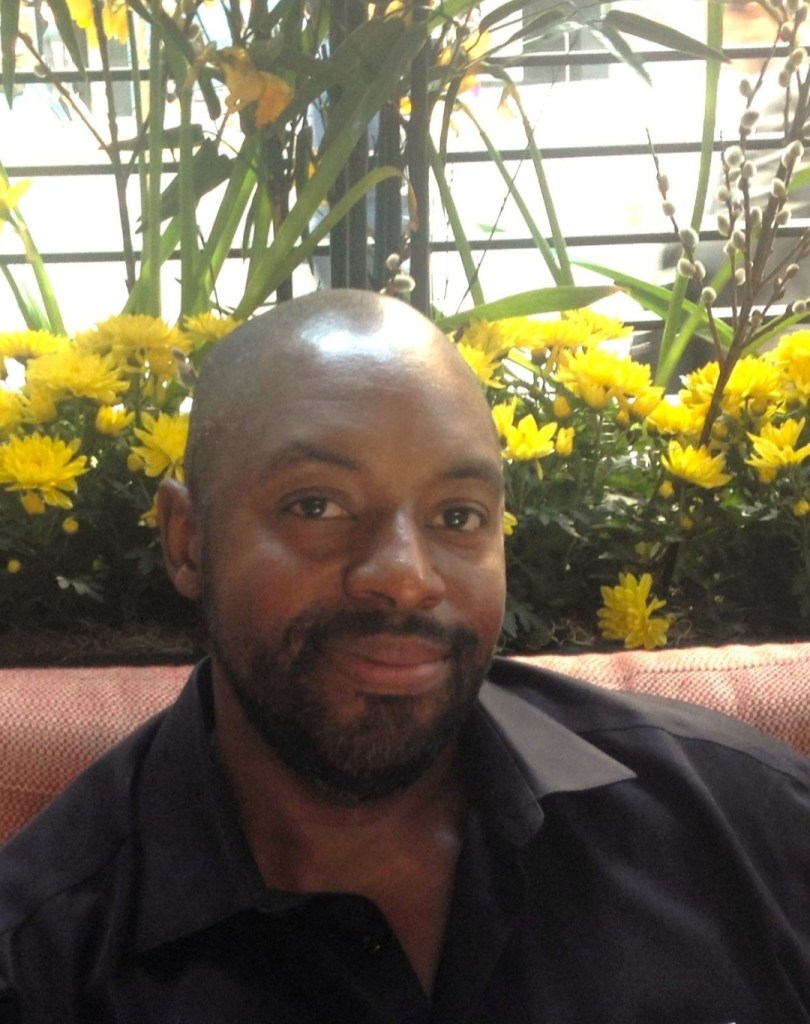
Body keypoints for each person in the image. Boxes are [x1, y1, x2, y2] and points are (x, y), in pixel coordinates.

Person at [0, 289, 808, 1023]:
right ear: (187, 541)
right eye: (317, 506)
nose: (405, 576)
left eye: (457, 516)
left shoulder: (747, 827)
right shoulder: (41, 965)